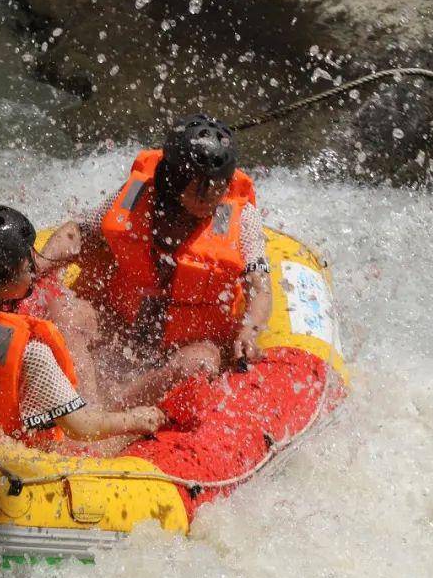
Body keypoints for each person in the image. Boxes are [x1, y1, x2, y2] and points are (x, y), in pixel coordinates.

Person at [40, 115, 273, 404]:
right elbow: (78, 233)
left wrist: (249, 331)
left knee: (200, 365)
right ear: (175, 178)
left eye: (219, 186)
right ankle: (85, 405)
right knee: (64, 310)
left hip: (191, 341)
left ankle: (118, 410)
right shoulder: (136, 194)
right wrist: (39, 264)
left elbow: (259, 286)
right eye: (201, 187)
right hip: (121, 320)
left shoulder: (243, 219)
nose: (212, 196)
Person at [0, 205, 163, 446]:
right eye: (27, 263)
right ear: (0, 282)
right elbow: (83, 428)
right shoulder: (30, 352)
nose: (35, 267)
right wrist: (134, 419)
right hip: (8, 461)